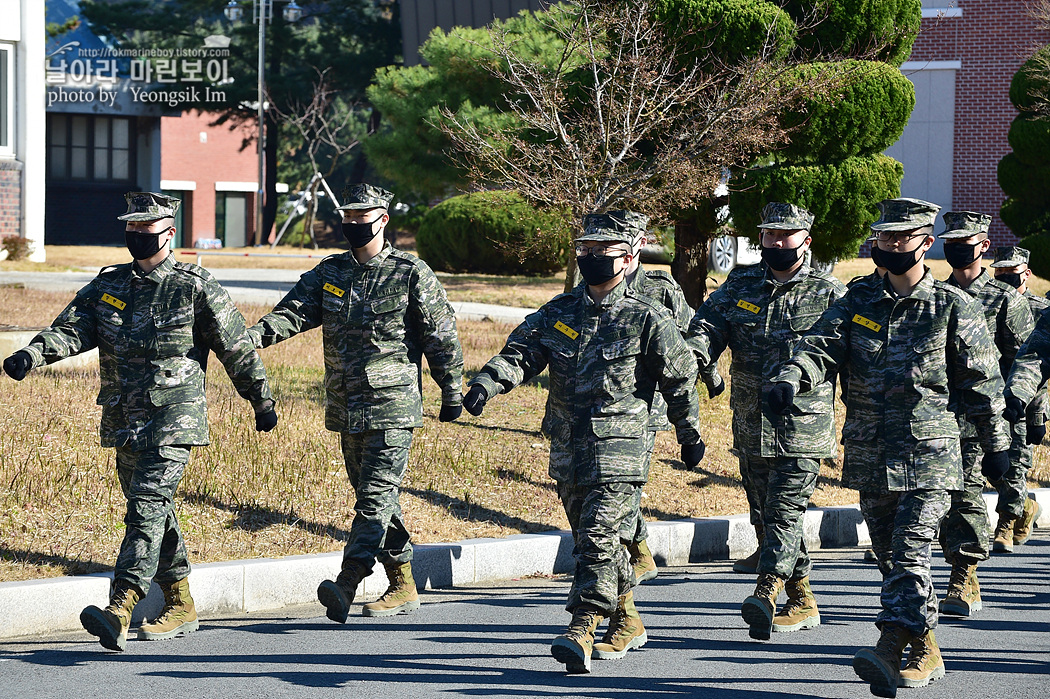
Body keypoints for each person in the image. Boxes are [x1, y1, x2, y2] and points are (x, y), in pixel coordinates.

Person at [2, 192, 278, 652]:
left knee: (145, 508)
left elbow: (236, 347)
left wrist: (260, 399)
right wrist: (32, 354)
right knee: (154, 513)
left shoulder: (195, 286)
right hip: (123, 417)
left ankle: (121, 606)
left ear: (169, 233)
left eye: (146, 230)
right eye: (130, 229)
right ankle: (181, 600)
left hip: (175, 417)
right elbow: (73, 329)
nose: (136, 237)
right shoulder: (111, 284)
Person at [767, 198, 1010, 696]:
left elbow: (982, 383)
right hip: (871, 453)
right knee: (889, 556)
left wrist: (998, 448)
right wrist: (793, 379)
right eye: (884, 238)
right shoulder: (857, 303)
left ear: (925, 242)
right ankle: (927, 645)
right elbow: (818, 348)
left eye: (901, 238)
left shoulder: (952, 307)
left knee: (910, 549)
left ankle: (890, 645)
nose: (891, 245)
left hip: (932, 457)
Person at [463, 213, 704, 673]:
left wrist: (689, 433)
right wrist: (487, 385)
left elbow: (679, 379)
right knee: (596, 542)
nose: (592, 258)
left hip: (621, 449)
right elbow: (523, 353)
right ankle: (628, 619)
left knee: (596, 540)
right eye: (586, 251)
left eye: (604, 251)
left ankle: (583, 627)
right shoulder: (561, 311)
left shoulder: (646, 316)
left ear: (629, 257)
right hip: (569, 447)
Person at [248, 183, 464, 622]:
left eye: (361, 218)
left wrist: (452, 387)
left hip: (393, 405)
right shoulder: (330, 272)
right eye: (347, 217)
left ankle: (348, 580)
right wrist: (246, 341)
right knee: (378, 500)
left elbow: (439, 334)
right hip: (346, 406)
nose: (352, 225)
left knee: (373, 497)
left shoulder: (410, 272)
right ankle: (403, 583)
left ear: (383, 219)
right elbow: (290, 314)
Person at [686, 202, 846, 640]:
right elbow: (708, 326)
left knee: (784, 512)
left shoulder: (829, 294)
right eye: (769, 235)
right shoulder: (741, 285)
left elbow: (846, 358)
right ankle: (803, 597)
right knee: (763, 514)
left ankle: (767, 591)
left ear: (805, 240)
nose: (776, 243)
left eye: (785, 235)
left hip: (804, 427)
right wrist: (698, 353)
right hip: (750, 423)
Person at [613, 210, 723, 584]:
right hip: (601, 407)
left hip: (646, 406)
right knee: (615, 484)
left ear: (639, 245)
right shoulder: (591, 287)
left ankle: (636, 553)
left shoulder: (661, 288)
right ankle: (637, 549)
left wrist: (711, 375)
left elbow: (687, 339)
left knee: (625, 484)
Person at [937, 212, 1033, 615]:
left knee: (967, 493)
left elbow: (1028, 360)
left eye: (965, 241)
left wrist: (1026, 409)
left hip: (981, 417)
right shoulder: (934, 296)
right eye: (950, 241)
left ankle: (964, 575)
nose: (956, 248)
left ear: (984, 246)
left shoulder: (1005, 299)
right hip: (934, 418)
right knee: (936, 501)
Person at [989, 246, 1046, 550]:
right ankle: (1025, 507)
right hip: (986, 398)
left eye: (1011, 272)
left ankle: (1005, 525)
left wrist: (1037, 414)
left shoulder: (1040, 310)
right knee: (988, 466)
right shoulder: (985, 303)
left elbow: (1038, 367)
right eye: (1000, 272)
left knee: (1015, 463)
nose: (1004, 277)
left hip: (1021, 402)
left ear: (1026, 273)